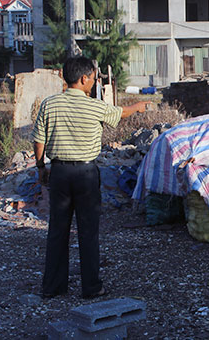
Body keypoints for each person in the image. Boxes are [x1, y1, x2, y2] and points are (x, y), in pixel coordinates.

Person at [33, 56, 151, 299]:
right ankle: (91, 287)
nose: (95, 82)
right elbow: (120, 113)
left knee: (57, 230)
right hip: (86, 174)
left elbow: (39, 139)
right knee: (88, 231)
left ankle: (53, 287)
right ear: (83, 78)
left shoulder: (49, 104)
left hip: (59, 172)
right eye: (94, 78)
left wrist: (40, 168)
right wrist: (139, 106)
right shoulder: (93, 105)